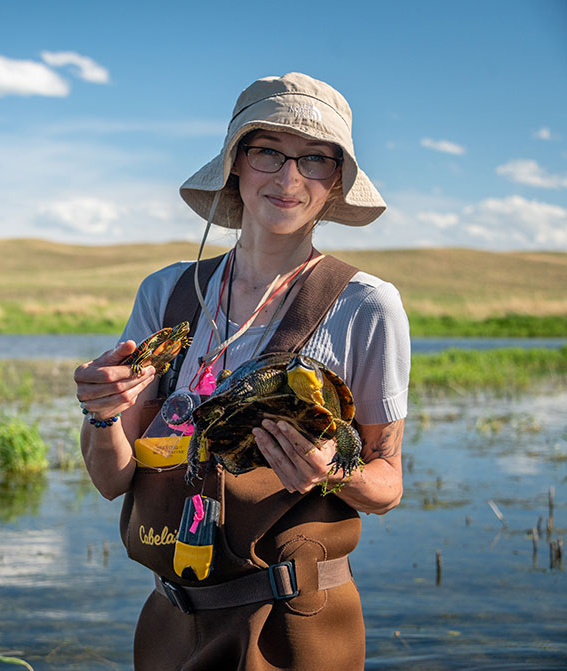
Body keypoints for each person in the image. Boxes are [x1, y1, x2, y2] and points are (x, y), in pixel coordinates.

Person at [73, 72, 409, 670]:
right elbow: (113, 481)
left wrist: (330, 472)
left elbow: (387, 485)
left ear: (335, 182)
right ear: (235, 164)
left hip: (299, 625)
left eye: (315, 160)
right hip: (172, 619)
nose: (289, 177)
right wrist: (102, 415)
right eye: (268, 153)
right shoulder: (168, 294)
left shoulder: (366, 304)